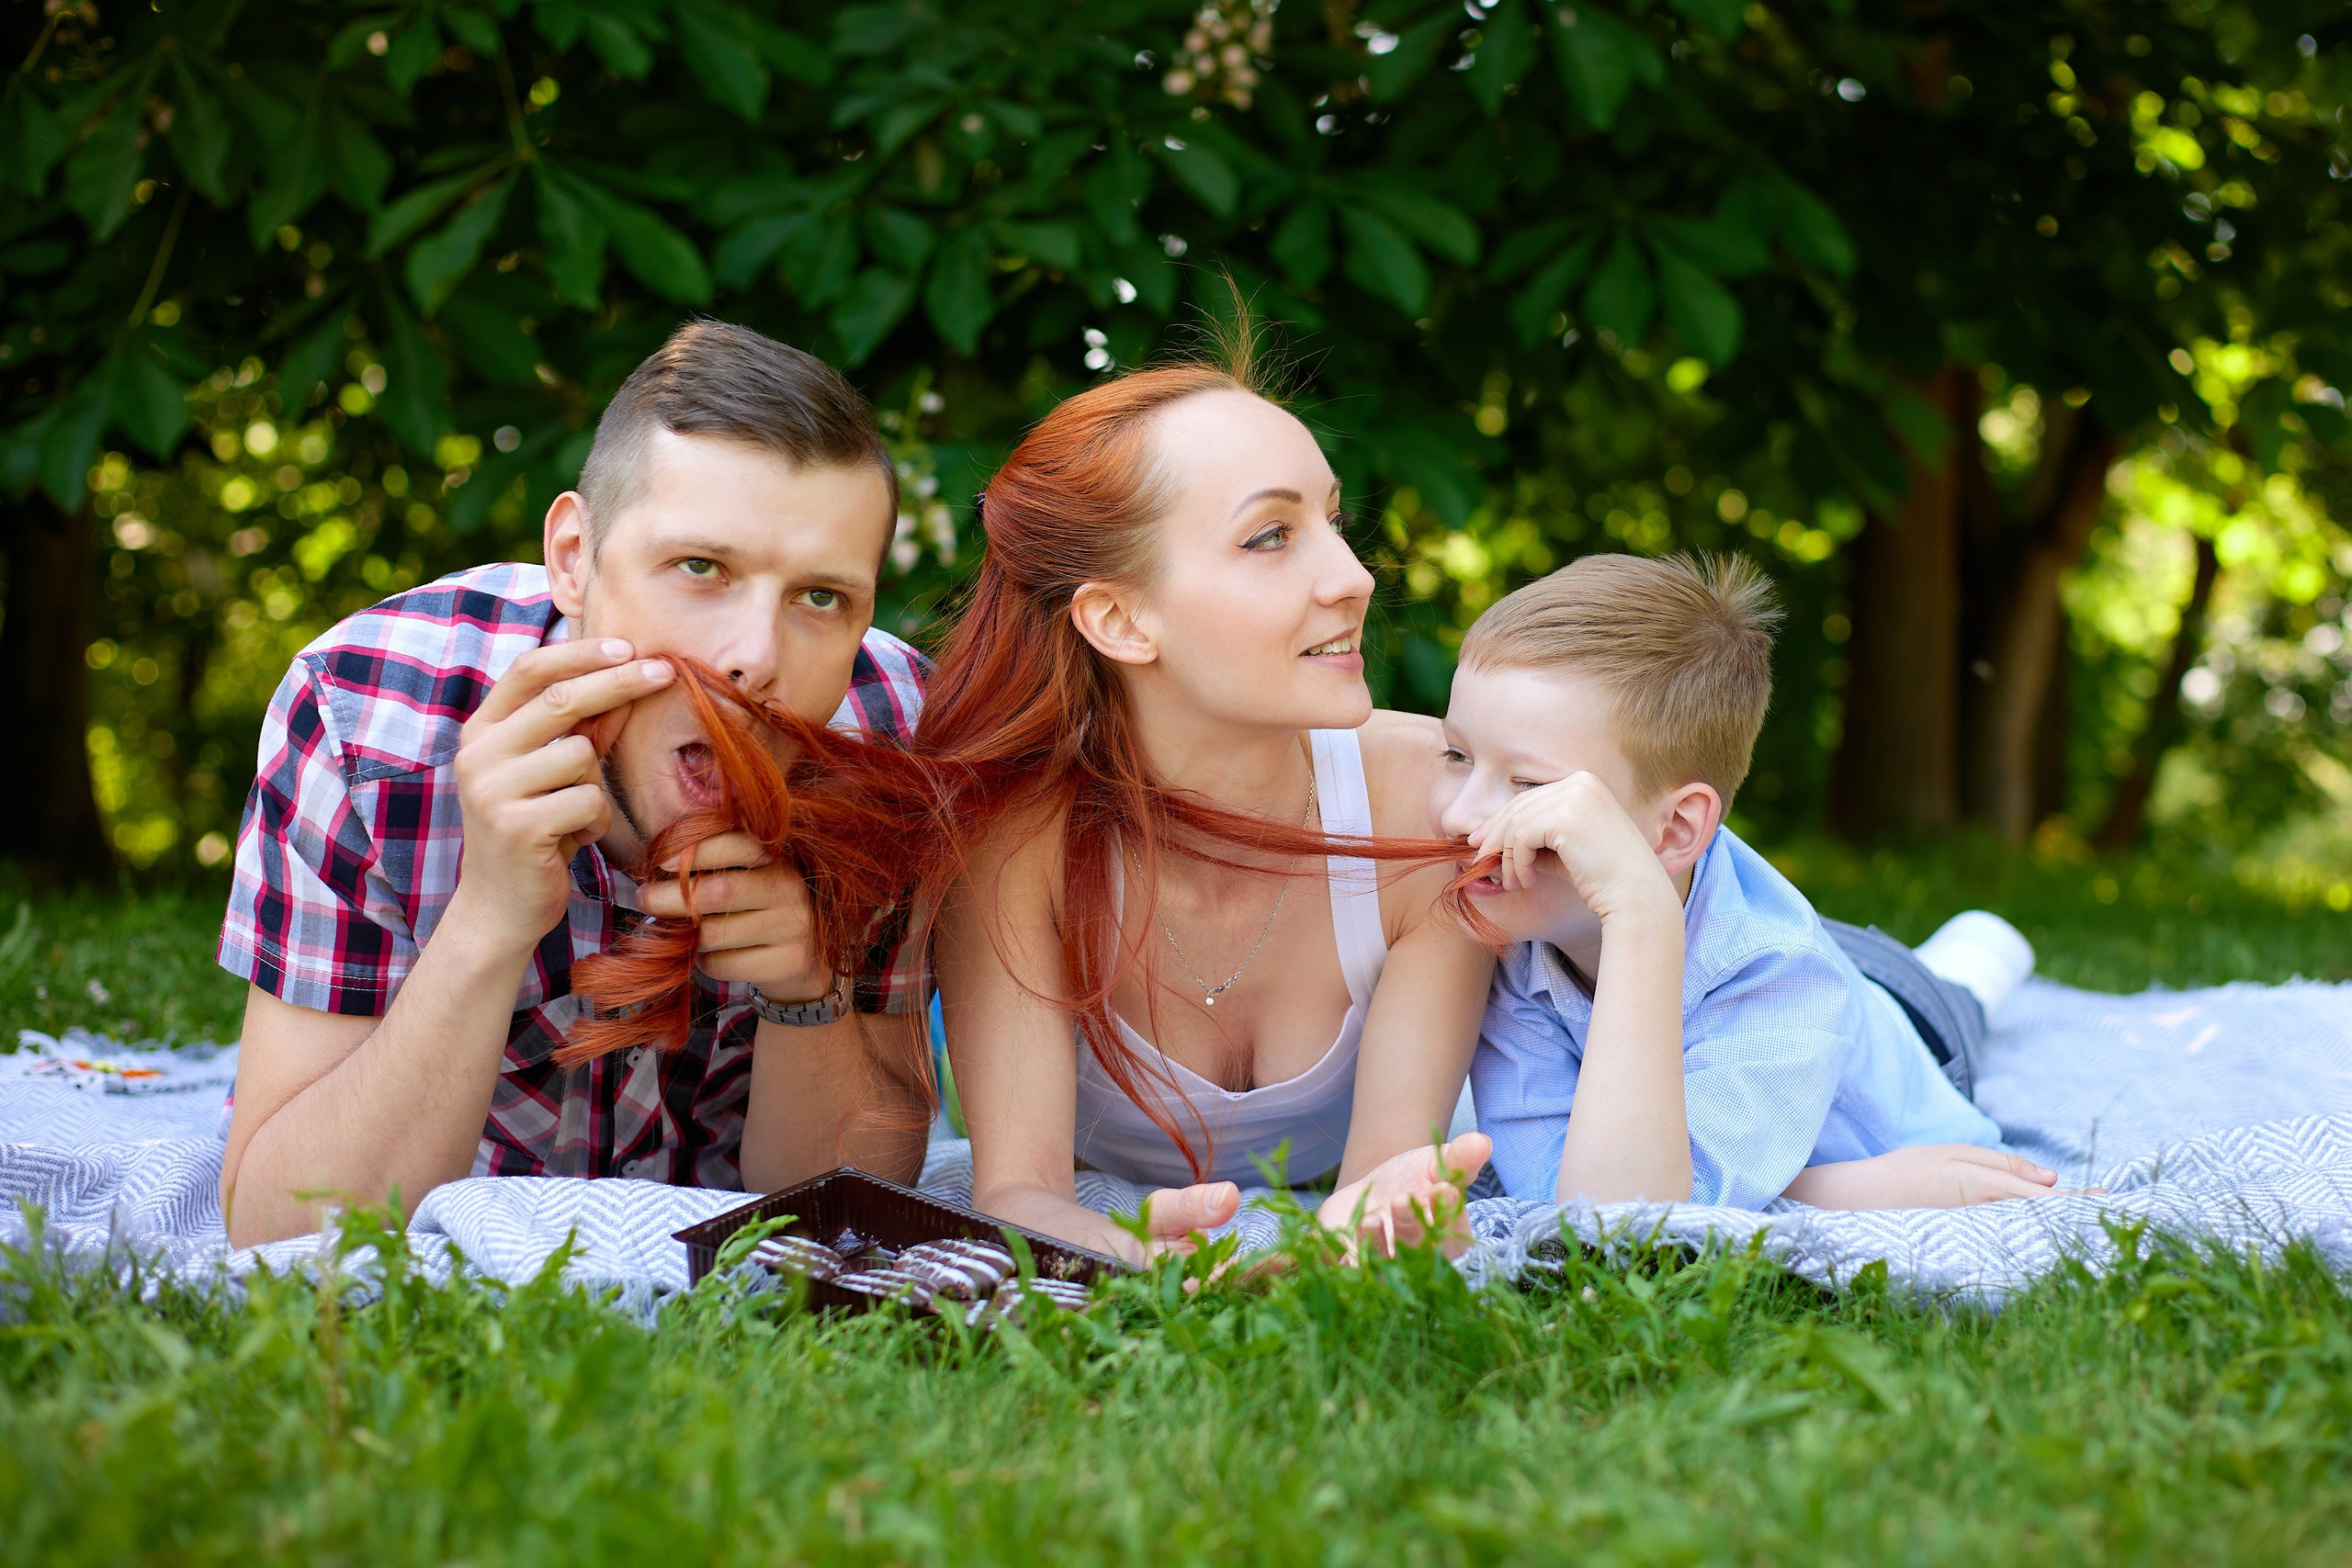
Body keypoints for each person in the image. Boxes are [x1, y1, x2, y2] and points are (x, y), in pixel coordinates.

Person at [217, 321, 933, 1247]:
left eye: (820, 598)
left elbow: (844, 1220)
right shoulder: (368, 716)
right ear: (570, 558)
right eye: (701, 569)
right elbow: (278, 1230)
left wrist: (807, 990)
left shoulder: (899, 741)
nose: (755, 659)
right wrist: (487, 918)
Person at [922, 347, 1494, 1266]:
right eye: (1270, 537)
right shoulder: (1012, 838)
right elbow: (1020, 1195)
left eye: (1333, 520)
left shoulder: (1427, 798)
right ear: (1118, 620)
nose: (1353, 575)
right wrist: (1154, 1266)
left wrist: (1335, 1250)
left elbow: (1387, 1182)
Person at [1435, 551, 2064, 1212]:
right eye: (1456, 754)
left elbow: (1630, 1222)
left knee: (1959, 984)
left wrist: (1637, 911)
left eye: (1531, 787)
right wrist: (1815, 1193)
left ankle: (1988, 942)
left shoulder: (1782, 977)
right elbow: (1558, 1192)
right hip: (1750, 920)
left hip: (1900, 1016)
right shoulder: (1519, 931)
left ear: (1675, 830)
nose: (1457, 814)